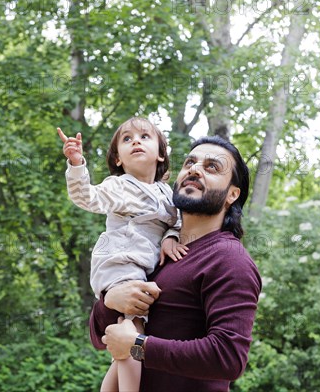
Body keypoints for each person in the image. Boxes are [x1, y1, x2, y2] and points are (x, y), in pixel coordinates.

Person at [91, 136, 262, 392]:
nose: (194, 169)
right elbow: (100, 337)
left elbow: (228, 357)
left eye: (212, 167)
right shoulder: (152, 248)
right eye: (189, 163)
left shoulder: (228, 258)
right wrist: (110, 300)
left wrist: (139, 345)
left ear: (232, 194)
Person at [57, 118, 189, 392]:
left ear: (161, 153)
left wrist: (171, 237)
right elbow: (86, 198)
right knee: (134, 333)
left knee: (126, 339)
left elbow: (178, 221)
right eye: (127, 139)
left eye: (144, 136)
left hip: (142, 265)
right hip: (120, 261)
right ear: (118, 159)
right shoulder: (120, 186)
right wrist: (77, 164)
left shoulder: (166, 193)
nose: (136, 141)